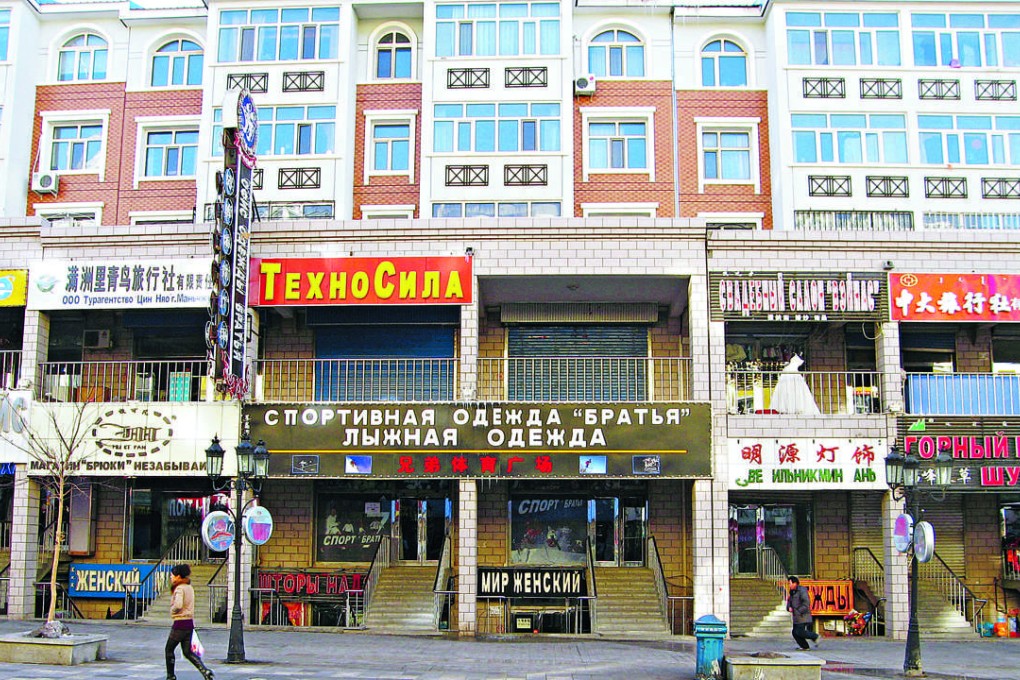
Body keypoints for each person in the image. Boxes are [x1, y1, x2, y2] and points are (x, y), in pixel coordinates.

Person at [165, 564, 215, 680]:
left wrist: (172, 609)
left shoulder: (180, 588)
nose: (171, 577)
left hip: (180, 623)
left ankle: (170, 676)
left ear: (178, 576)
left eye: (172, 575)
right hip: (189, 624)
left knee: (169, 649)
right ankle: (205, 671)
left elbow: (178, 605)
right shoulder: (189, 587)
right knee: (187, 652)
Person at [787, 576, 820, 651]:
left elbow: (806, 603)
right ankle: (804, 646)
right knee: (795, 632)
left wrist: (798, 611)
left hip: (803, 616)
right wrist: (788, 607)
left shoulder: (802, 591)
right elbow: (789, 601)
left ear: (795, 583)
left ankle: (815, 636)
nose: (789, 585)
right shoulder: (792, 592)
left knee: (799, 631)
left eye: (790, 583)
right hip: (796, 617)